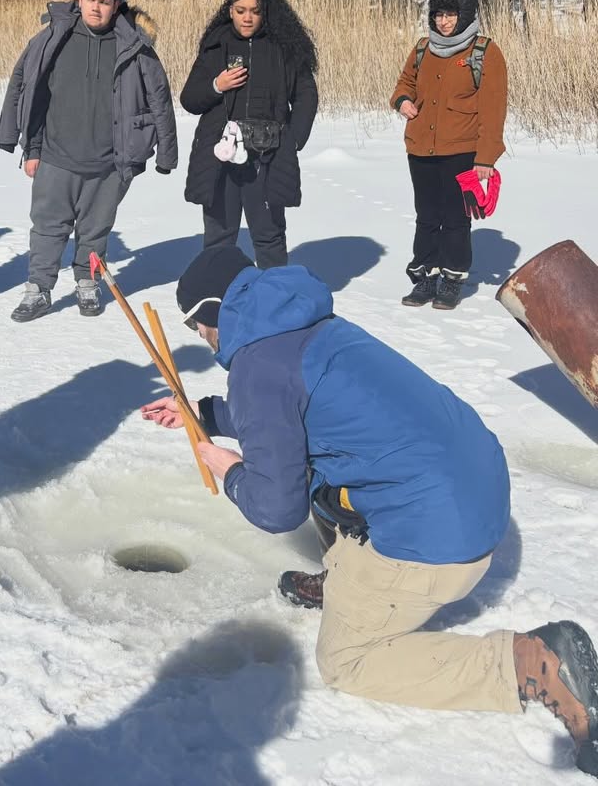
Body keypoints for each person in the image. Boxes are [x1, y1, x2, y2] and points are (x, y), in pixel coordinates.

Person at [142, 246, 598, 777]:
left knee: (346, 661)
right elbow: (285, 407)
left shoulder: (257, 364)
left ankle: (535, 661)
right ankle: (349, 582)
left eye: (196, 326)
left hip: (438, 538)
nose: (201, 338)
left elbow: (276, 507)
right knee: (318, 462)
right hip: (474, 490)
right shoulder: (302, 322)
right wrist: (201, 414)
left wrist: (231, 472)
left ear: (212, 311)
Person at [0, 0, 179, 321]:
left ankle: (87, 282)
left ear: (117, 5)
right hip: (56, 156)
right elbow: (25, 86)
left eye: (104, 2)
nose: (95, 8)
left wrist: (166, 154)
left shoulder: (134, 45)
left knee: (96, 229)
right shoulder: (54, 36)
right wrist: (28, 147)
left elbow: (160, 98)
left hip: (109, 161)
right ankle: (38, 288)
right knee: (48, 227)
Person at [179, 0, 318, 268]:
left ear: (266, 13)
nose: (247, 17)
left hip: (267, 158)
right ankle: (215, 295)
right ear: (230, 11)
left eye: (255, 11)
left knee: (269, 236)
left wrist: (292, 139)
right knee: (219, 238)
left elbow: (306, 95)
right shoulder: (216, 46)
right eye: (241, 10)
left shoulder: (284, 48)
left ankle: (272, 295)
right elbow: (189, 99)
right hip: (221, 157)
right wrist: (217, 85)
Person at [390, 0, 508, 310]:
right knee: (427, 215)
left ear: (465, 16)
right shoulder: (422, 48)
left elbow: (493, 109)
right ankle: (426, 277)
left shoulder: (484, 52)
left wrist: (486, 158)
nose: (443, 22)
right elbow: (405, 83)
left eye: (450, 15)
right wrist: (402, 100)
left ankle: (452, 279)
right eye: (438, 14)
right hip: (420, 148)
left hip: (461, 150)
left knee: (455, 217)